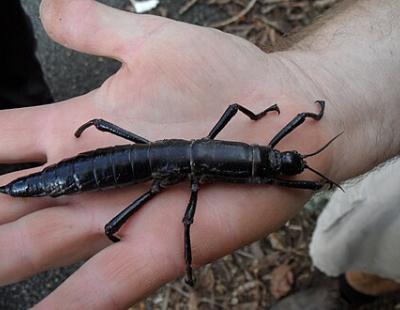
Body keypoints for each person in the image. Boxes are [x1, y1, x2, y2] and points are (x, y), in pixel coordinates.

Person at [0, 0, 398, 308]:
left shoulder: (248, 156)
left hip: (141, 162)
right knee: (162, 220)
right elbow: (191, 219)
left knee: (137, 218)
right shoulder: (252, 166)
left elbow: (260, 152)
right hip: (115, 168)